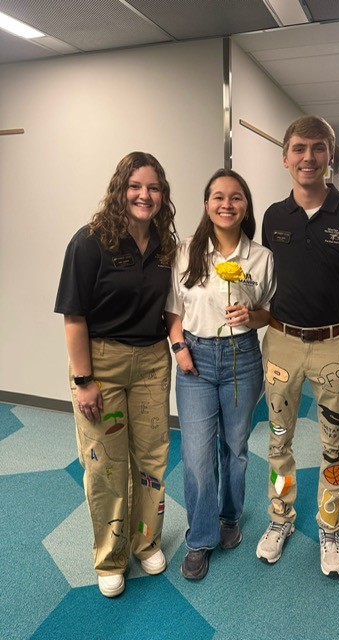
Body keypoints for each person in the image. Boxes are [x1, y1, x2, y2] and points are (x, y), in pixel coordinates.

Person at [256, 115, 339, 576]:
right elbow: (266, 282)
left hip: (334, 344)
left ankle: (330, 526)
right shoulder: (274, 217)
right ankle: (280, 517)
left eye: (317, 148)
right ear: (285, 157)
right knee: (278, 442)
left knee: (334, 445)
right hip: (282, 344)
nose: (307, 157)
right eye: (299, 148)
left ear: (330, 155)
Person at [54, 152, 178, 597]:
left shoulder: (165, 245)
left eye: (154, 188)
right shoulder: (90, 242)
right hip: (101, 364)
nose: (145, 195)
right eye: (135, 186)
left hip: (151, 362)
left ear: (163, 195)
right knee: (106, 465)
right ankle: (110, 556)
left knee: (151, 460)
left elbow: (171, 307)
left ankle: (146, 541)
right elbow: (73, 316)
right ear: (119, 189)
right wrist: (83, 381)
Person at [165, 168, 275, 580]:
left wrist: (251, 315)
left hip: (241, 358)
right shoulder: (185, 251)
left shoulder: (261, 257)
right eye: (218, 197)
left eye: (236, 197)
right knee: (196, 455)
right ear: (206, 204)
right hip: (194, 358)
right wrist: (179, 347)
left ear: (246, 206)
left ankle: (230, 516)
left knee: (235, 448)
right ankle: (200, 538)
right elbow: (173, 308)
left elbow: (271, 311)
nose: (227, 204)